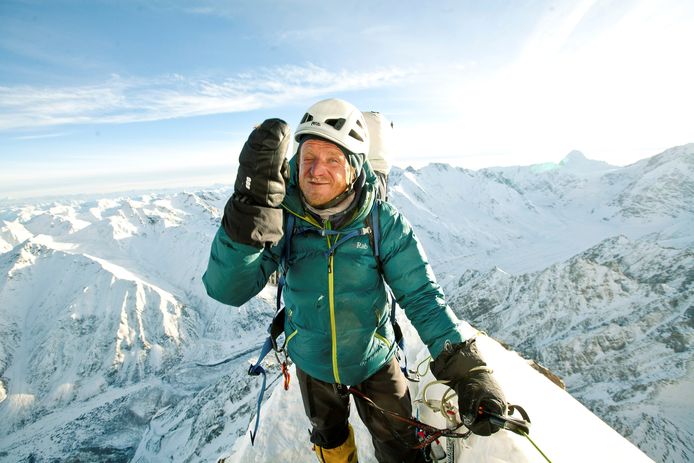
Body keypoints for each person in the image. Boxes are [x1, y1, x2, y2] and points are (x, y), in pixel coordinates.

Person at [202, 98, 507, 463]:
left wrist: (469, 373)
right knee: (329, 439)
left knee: (400, 447)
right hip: (312, 363)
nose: (316, 170)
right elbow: (228, 289)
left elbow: (423, 297)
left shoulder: (383, 223)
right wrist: (247, 214)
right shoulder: (282, 218)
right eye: (309, 157)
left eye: (332, 160)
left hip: (374, 359)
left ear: (354, 167)